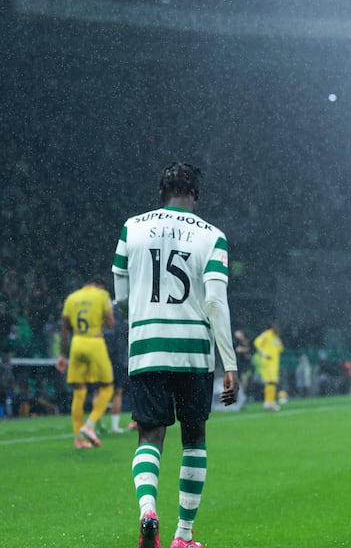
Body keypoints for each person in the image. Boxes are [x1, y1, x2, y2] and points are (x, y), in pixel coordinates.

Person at [113, 162, 238, 548]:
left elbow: (120, 298)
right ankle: (183, 536)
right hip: (193, 353)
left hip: (147, 346)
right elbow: (215, 302)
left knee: (149, 435)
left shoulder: (131, 228)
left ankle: (148, 509)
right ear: (196, 195)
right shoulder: (213, 236)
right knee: (194, 438)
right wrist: (229, 362)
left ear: (160, 193)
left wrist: (144, 319)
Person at [55, 277, 115, 448]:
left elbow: (64, 328)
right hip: (95, 342)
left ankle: (78, 439)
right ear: (99, 286)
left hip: (77, 343)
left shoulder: (72, 297)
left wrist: (62, 355)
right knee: (107, 386)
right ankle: (90, 424)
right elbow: (111, 324)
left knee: (79, 391)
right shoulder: (102, 294)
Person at [254, 322, 283, 411]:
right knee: (270, 383)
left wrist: (278, 339)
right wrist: (263, 353)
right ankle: (269, 402)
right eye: (276, 327)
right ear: (273, 327)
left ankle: (269, 402)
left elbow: (281, 349)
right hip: (267, 362)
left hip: (274, 364)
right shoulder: (267, 334)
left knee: (272, 383)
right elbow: (257, 342)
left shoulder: (275, 337)